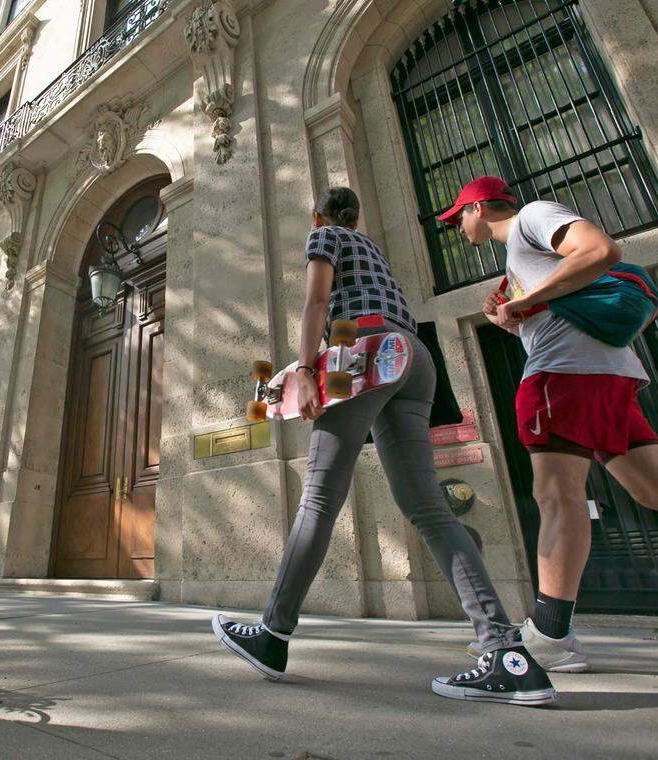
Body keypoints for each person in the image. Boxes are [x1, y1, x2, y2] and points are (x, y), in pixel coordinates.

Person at [211, 187, 557, 706]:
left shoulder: (324, 236)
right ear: (359, 215)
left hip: (364, 351)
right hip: (414, 358)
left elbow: (317, 301)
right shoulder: (373, 251)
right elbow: (359, 317)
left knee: (319, 498)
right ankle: (507, 652)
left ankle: (272, 634)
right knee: (429, 509)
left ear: (319, 216)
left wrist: (307, 370)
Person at [439, 175, 658, 674]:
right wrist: (511, 316)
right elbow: (556, 301)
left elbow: (602, 250)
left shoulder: (533, 217)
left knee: (555, 493)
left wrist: (524, 300)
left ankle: (551, 632)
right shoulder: (520, 254)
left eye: (458, 218)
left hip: (565, 373)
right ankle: (550, 628)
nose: (458, 229)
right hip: (604, 375)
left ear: (477, 207)